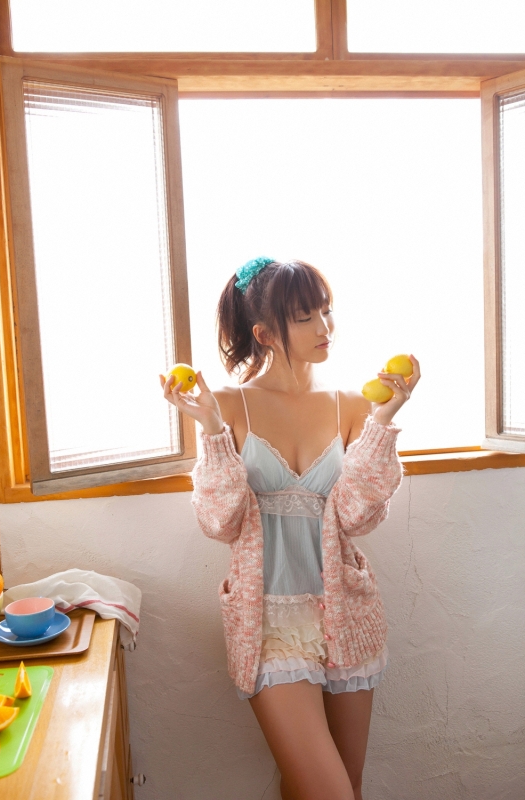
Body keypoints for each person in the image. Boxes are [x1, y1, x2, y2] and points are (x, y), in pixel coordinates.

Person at [160, 258, 420, 800]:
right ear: (265, 334)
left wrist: (383, 420)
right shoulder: (226, 406)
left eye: (326, 311)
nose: (325, 327)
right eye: (306, 318)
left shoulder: (353, 405)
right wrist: (211, 429)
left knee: (341, 787)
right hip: (268, 624)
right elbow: (220, 522)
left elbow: (357, 517)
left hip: (345, 615)